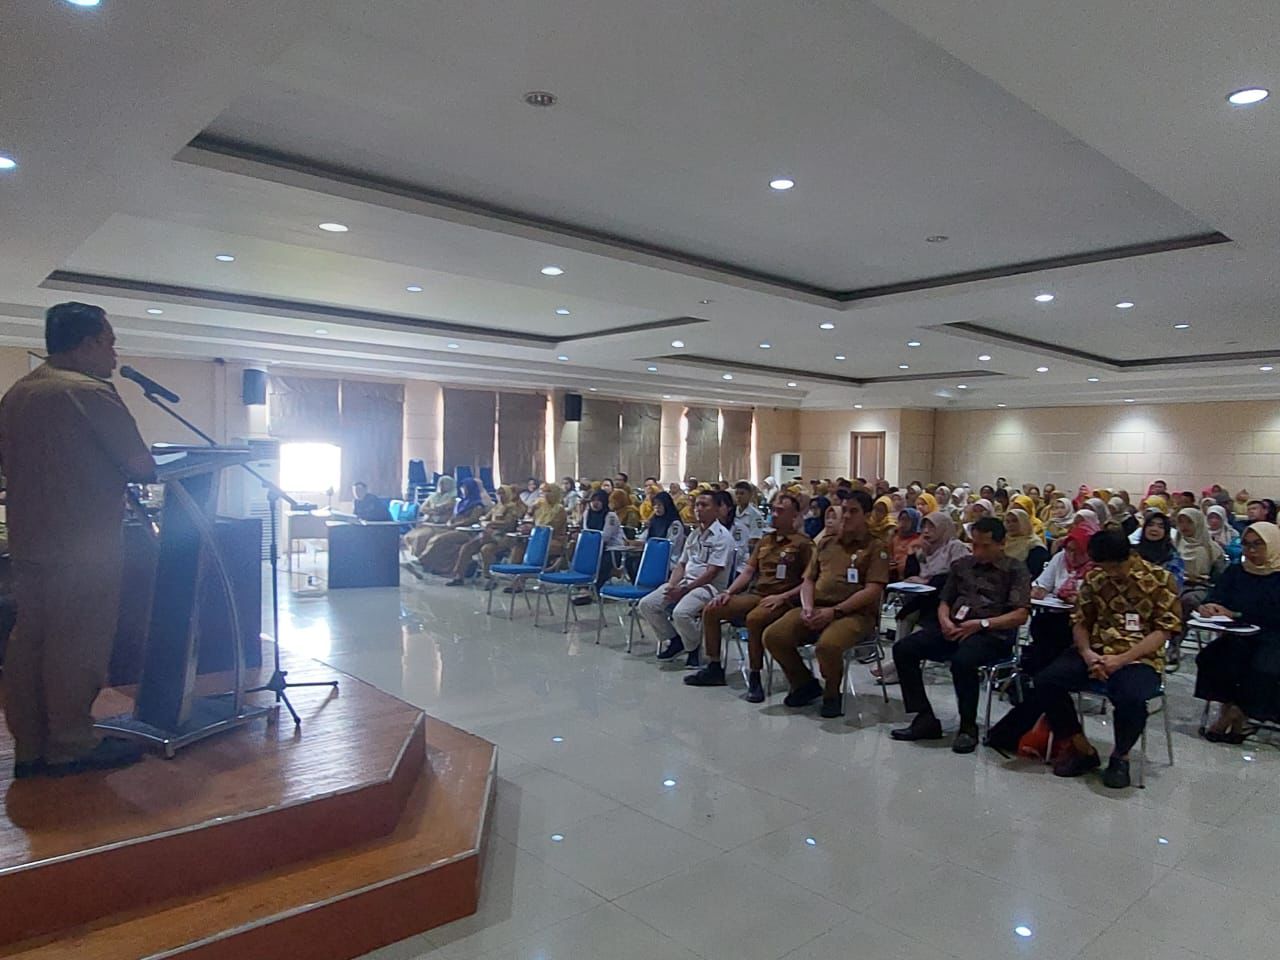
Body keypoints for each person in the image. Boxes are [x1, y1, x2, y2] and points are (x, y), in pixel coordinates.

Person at [0, 301, 156, 776]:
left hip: (29, 541)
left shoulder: (19, 393)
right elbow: (140, 464)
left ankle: (31, 746)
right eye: (109, 343)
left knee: (30, 640)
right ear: (87, 343)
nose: (114, 354)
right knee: (77, 644)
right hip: (85, 544)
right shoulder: (89, 391)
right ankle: (71, 743)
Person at [987, 530, 1181, 788]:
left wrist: (1121, 659)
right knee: (1046, 681)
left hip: (1138, 657)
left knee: (1131, 696)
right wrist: (1088, 653)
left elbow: (1164, 630)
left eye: (1113, 568)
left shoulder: (1160, 579)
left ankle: (1120, 757)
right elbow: (1080, 621)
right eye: (1103, 567)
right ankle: (1081, 747)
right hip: (1095, 650)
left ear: (1127, 557)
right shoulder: (1096, 577)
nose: (1108, 573)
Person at [890, 517, 1031, 753]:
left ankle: (967, 727)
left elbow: (1020, 615)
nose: (978, 551)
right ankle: (923, 716)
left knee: (963, 662)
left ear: (1001, 544)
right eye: (974, 545)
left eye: (985, 546)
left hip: (991, 634)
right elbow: (945, 601)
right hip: (955, 627)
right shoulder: (962, 566)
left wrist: (982, 624)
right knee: (904, 649)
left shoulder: (1015, 570)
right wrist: (945, 621)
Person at [762, 490, 889, 718]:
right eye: (844, 510)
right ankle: (804, 683)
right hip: (818, 607)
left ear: (867, 515)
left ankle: (832, 693)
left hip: (854, 614)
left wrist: (835, 611)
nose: (846, 516)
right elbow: (808, 580)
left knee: (827, 646)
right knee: (774, 636)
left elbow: (873, 590)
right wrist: (807, 607)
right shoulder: (827, 543)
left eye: (853, 511)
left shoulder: (875, 547)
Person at [686, 493, 813, 701]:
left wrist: (783, 597)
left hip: (785, 598)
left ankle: (755, 676)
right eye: (773, 510)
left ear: (794, 516)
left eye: (780, 511)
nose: (774, 514)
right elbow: (748, 571)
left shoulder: (803, 544)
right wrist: (728, 592)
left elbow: (809, 581)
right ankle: (714, 667)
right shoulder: (766, 541)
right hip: (757, 593)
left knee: (755, 619)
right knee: (712, 609)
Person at [1194, 522, 1280, 741]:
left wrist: (1236, 614)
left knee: (1263, 669)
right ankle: (1233, 716)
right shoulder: (1236, 571)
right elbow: (1215, 597)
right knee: (1215, 658)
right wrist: (1208, 607)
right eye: (1246, 545)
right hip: (1238, 635)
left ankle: (1235, 715)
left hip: (1273, 637)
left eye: (1258, 545)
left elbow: (1273, 614)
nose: (1251, 551)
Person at [638, 492, 734, 667]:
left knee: (681, 613)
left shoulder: (722, 536)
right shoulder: (694, 535)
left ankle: (693, 648)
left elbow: (712, 572)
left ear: (716, 509)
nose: (698, 509)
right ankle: (676, 640)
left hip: (709, 587)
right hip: (685, 582)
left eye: (704, 505)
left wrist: (683, 590)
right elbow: (681, 564)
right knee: (647, 604)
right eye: (697, 505)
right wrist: (672, 585)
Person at [1023, 521, 1096, 676]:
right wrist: (1039, 589)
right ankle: (1038, 675)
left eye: (1079, 552)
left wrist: (1079, 600)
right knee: (1040, 624)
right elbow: (1043, 582)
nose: (1072, 556)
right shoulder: (1060, 558)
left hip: (1083, 619)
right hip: (1055, 612)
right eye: (1069, 550)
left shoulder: (1096, 566)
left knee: (1056, 632)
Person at [444, 484, 523, 585]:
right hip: (489, 535)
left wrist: (491, 524)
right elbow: (483, 519)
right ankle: (458, 576)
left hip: (503, 537)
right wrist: (487, 523)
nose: (500, 496)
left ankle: (488, 577)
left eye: (503, 493)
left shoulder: (512, 507)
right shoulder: (496, 507)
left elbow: (509, 524)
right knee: (467, 547)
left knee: (485, 548)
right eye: (498, 493)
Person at [410, 477, 489, 573]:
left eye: (465, 488)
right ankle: (435, 566)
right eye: (462, 487)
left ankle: (422, 561)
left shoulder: (477, 505)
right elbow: (453, 516)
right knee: (432, 536)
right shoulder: (461, 503)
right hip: (453, 528)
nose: (463, 490)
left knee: (439, 539)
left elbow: (471, 520)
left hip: (466, 532)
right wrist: (450, 522)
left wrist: (455, 525)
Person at [1175, 507, 1224, 619]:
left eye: (1189, 522)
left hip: (1203, 587)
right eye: (1181, 522)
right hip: (1177, 585)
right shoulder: (1175, 544)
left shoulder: (1211, 548)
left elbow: (1220, 575)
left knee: (1189, 600)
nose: (1184, 526)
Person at [1002, 508, 1049, 578]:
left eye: (1015, 521)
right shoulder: (1002, 541)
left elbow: (1035, 572)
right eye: (1007, 522)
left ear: (1024, 522)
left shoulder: (1034, 545)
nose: (1010, 525)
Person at [889, 508, 923, 580]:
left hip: (909, 576)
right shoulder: (894, 537)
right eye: (901, 519)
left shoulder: (919, 540)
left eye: (907, 520)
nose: (903, 523)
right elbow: (889, 555)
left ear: (914, 522)